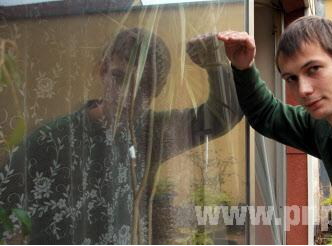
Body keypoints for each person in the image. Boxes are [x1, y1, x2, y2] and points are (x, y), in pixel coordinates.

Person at [0, 28, 243, 244]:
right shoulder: (49, 139)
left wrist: (216, 63)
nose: (129, 96)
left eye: (145, 86)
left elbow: (223, 117)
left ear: (159, 88)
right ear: (103, 70)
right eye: (119, 78)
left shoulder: (152, 131)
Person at [217, 16, 332, 244]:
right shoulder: (323, 128)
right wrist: (243, 67)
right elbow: (267, 114)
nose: (303, 89)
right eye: (291, 78)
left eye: (313, 69)